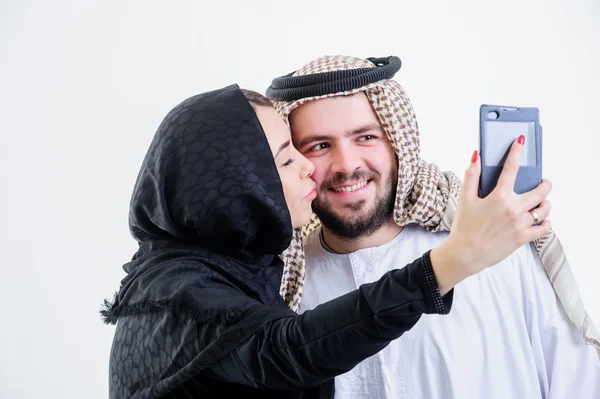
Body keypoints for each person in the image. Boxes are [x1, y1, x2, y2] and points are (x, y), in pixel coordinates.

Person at [102, 84, 556, 399]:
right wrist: (454, 261)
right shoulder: (176, 291)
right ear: (236, 182)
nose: (313, 169)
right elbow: (287, 351)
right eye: (293, 155)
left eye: (365, 137)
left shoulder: (247, 272)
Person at [266, 55, 600, 398]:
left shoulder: (495, 249)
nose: (347, 165)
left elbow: (575, 381)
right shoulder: (286, 286)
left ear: (398, 143)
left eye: (366, 137)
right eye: (319, 146)